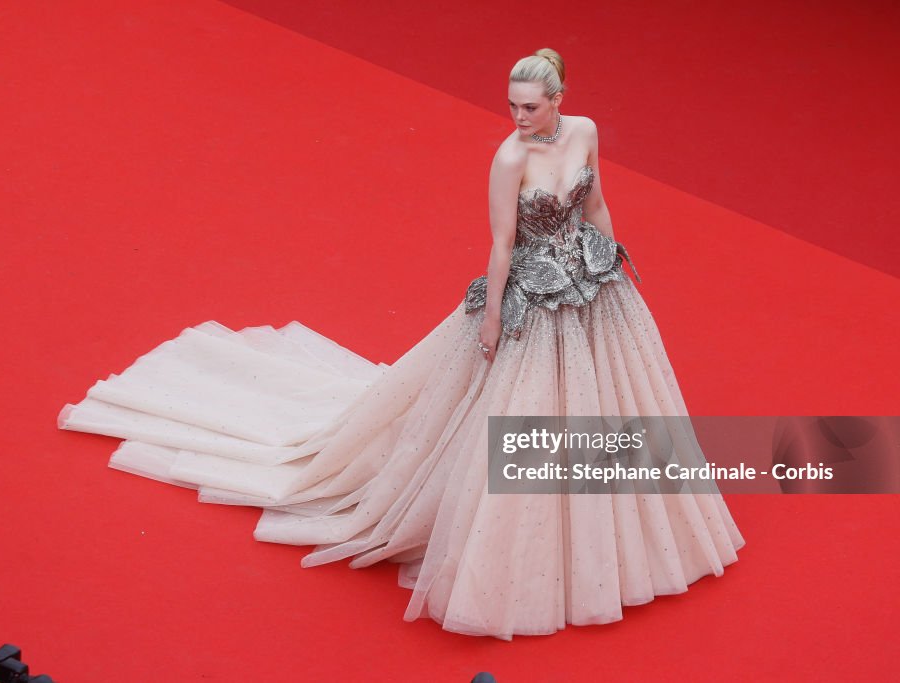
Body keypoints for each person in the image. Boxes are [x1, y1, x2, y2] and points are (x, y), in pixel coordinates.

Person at [58, 48, 744, 641]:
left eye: (530, 107)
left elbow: (595, 205)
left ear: (559, 100)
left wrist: (611, 258)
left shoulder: (586, 132)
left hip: (592, 284)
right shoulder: (508, 158)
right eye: (511, 105)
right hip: (532, 293)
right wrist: (492, 316)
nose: (517, 117)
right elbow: (502, 243)